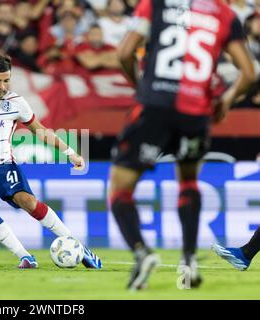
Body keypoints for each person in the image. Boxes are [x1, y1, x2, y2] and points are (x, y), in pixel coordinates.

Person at [110, 0, 257, 290]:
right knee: (188, 181)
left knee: (120, 188)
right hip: (196, 113)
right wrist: (226, 101)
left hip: (153, 106)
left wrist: (140, 85)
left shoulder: (154, 4)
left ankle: (142, 253)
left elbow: (125, 53)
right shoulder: (226, 15)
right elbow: (250, 74)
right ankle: (188, 260)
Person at [0, 54, 102, 269]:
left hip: (4, 165)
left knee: (28, 202)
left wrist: (70, 152)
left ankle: (80, 248)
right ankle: (25, 257)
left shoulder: (16, 103)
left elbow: (41, 131)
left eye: (6, 80)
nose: (2, 86)